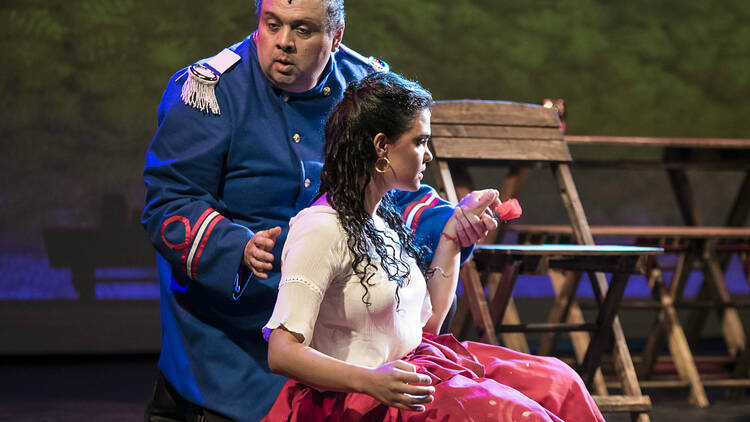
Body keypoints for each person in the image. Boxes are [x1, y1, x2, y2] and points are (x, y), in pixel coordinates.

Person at [141, 1, 497, 421]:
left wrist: (452, 224)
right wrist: (236, 247)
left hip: (348, 345)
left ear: (337, 35)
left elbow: (396, 196)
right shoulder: (209, 91)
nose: (283, 43)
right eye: (271, 25)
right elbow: (170, 203)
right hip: (234, 343)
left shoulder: (364, 85)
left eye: (303, 30)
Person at [262, 72, 605, 421]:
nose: (427, 156)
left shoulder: (382, 219)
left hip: (415, 368)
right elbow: (282, 353)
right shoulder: (320, 229)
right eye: (419, 141)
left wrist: (453, 239)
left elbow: (429, 329)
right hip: (359, 397)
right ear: (382, 146)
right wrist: (370, 381)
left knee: (560, 381)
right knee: (516, 416)